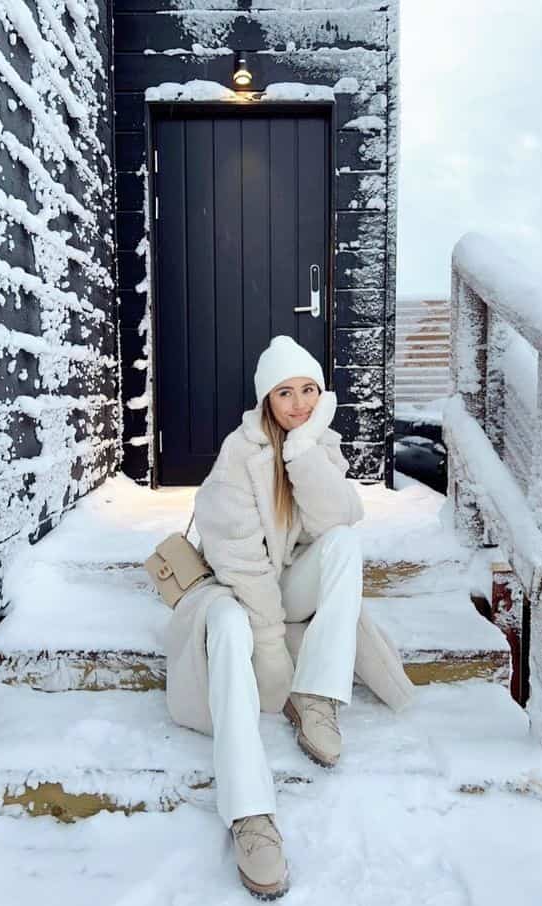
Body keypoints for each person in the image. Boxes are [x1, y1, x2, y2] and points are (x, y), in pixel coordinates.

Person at [164, 335, 415, 899]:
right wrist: (272, 652)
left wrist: (305, 452)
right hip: (231, 588)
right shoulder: (238, 456)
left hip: (288, 580)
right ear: (266, 400)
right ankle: (250, 813)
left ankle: (317, 697)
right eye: (286, 393)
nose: (299, 403)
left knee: (345, 545)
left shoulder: (316, 442)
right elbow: (242, 565)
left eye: (309, 390)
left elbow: (342, 515)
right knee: (231, 629)